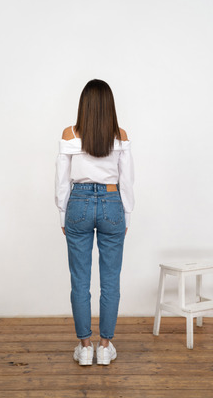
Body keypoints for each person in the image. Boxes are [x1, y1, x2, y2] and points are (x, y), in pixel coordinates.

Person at [55, 79, 135, 365]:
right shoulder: (120, 135)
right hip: (113, 202)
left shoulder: (69, 133)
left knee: (80, 279)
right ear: (109, 105)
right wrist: (126, 214)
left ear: (84, 105)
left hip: (78, 202)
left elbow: (62, 180)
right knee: (110, 280)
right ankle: (105, 346)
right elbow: (126, 181)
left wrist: (62, 213)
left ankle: (85, 347)